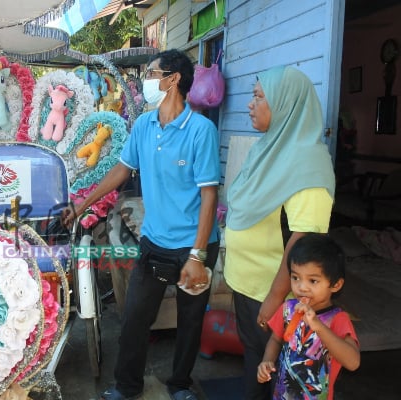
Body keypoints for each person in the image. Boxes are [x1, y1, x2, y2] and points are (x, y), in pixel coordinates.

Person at [62, 49, 220, 400]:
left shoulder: (200, 131)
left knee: (190, 321)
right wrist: (82, 203)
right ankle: (127, 385)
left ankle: (180, 385)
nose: (148, 80)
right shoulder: (145, 125)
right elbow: (121, 170)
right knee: (134, 317)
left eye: (153, 73)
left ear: (173, 79)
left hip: (194, 247)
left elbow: (209, 196)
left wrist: (196, 255)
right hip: (155, 244)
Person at [224, 65, 336, 400]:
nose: (250, 104)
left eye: (259, 97)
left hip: (277, 298)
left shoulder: (308, 165)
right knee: (254, 363)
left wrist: (274, 299)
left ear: (285, 104)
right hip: (247, 284)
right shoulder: (267, 150)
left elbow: (305, 242)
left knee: (277, 376)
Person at [257, 233, 360, 399]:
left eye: (313, 281)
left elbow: (353, 363)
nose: (301, 287)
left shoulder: (338, 318)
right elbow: (276, 339)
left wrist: (318, 326)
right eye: (295, 277)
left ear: (335, 284)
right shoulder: (288, 309)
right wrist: (266, 361)